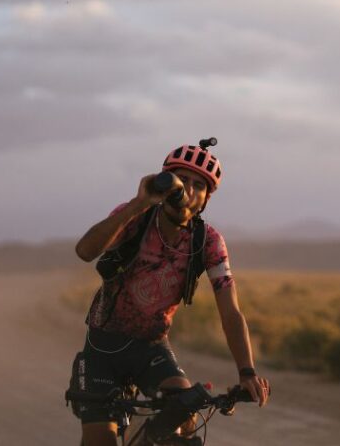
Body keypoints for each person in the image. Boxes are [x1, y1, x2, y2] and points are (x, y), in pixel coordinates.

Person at [70, 140, 270, 446]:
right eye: (182, 180)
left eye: (198, 185)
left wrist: (247, 372)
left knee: (185, 415)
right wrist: (140, 203)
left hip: (151, 348)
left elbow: (230, 311)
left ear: (205, 200)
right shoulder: (134, 217)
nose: (188, 190)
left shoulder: (208, 241)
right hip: (103, 348)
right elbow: (85, 251)